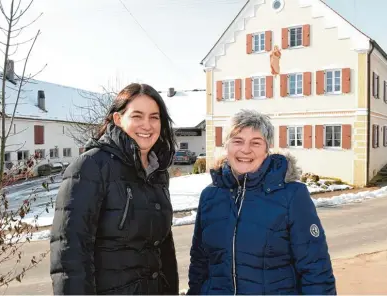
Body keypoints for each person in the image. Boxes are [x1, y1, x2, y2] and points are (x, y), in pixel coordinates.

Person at [187, 109, 336, 295]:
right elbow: (199, 264)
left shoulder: (292, 195)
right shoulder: (210, 196)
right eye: (238, 141)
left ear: (267, 150)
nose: (245, 149)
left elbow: (315, 268)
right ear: (227, 146)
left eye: (256, 143)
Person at [50, 83, 179, 295]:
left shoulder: (157, 171)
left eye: (154, 117)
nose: (147, 125)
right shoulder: (91, 166)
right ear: (118, 119)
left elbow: (163, 246)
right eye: (137, 116)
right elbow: (70, 252)